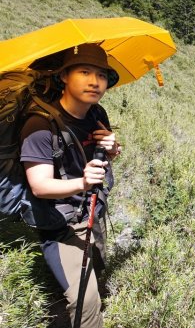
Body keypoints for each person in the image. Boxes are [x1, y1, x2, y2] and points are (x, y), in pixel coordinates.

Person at [20, 43, 122, 328]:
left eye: (101, 75)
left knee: (97, 267)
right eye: (84, 71)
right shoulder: (40, 127)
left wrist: (113, 149)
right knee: (84, 300)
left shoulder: (96, 113)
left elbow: (101, 155)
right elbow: (40, 186)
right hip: (60, 222)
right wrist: (83, 182)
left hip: (91, 210)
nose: (94, 81)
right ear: (64, 76)